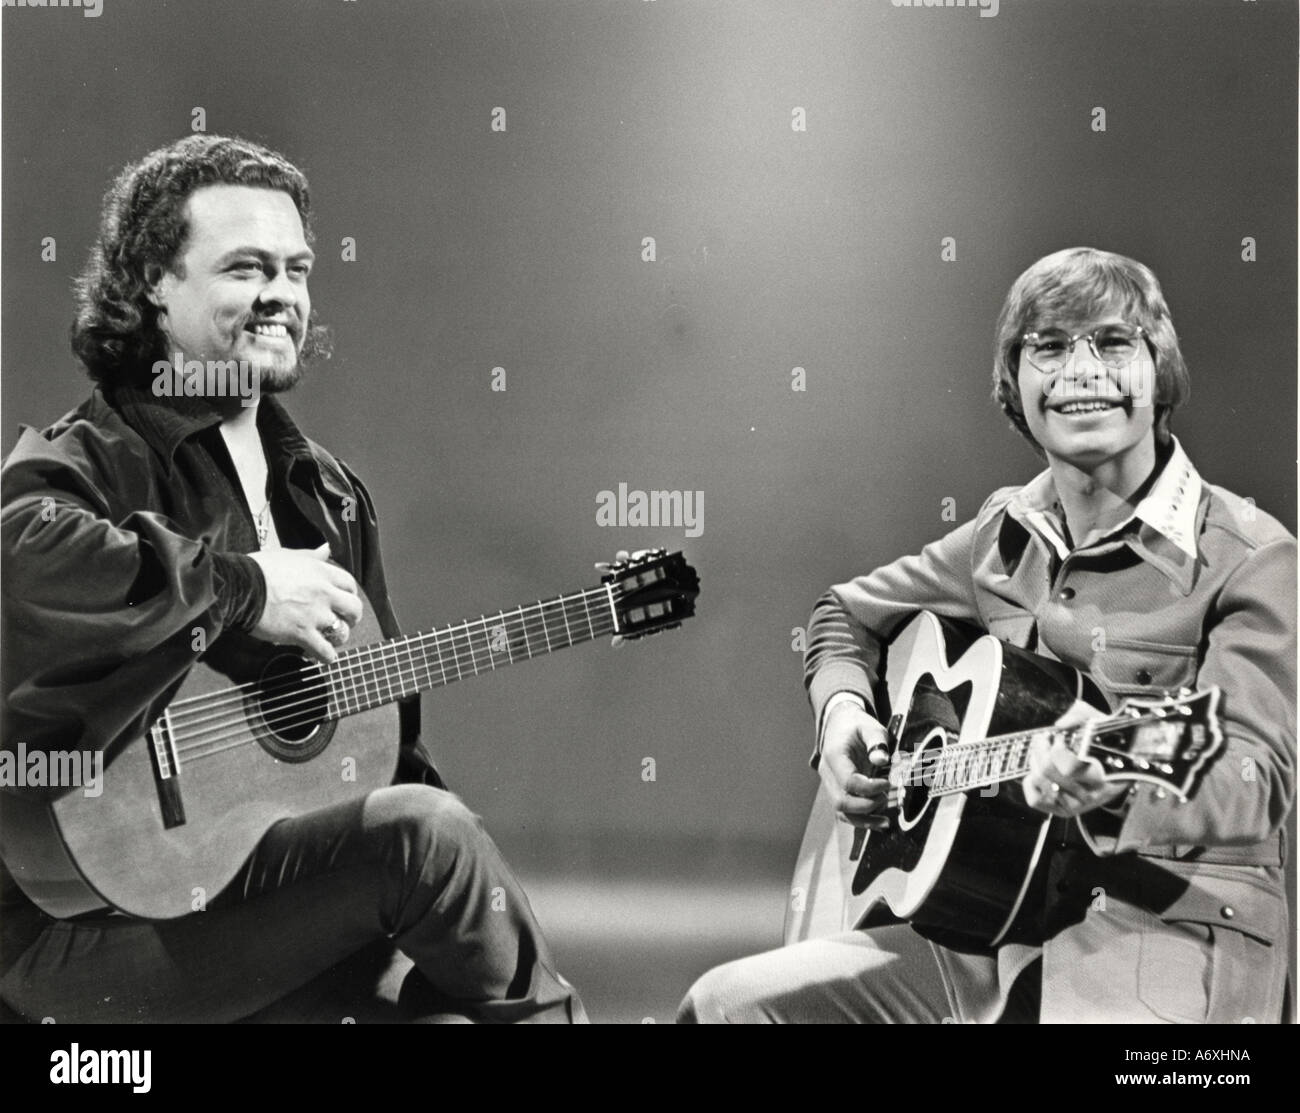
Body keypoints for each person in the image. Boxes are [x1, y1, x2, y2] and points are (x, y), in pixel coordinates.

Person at [0, 134, 585, 1023]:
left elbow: (382, 749)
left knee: (443, 915)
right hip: (85, 932)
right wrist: (243, 588)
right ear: (156, 282)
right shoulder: (94, 456)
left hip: (266, 905)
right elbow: (23, 557)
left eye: (297, 269)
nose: (282, 295)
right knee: (427, 838)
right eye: (245, 267)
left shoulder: (328, 492)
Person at [678, 247, 1295, 1023]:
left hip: (1161, 945)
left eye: (1111, 342)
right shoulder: (1002, 533)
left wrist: (1113, 783)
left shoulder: (1251, 556)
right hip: (983, 936)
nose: (1080, 370)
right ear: (1016, 385)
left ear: (1158, 370)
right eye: (1049, 346)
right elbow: (842, 615)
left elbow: (1254, 775)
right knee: (730, 1006)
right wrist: (842, 716)